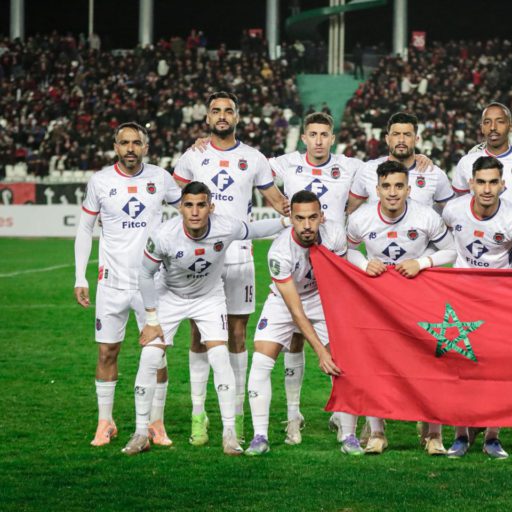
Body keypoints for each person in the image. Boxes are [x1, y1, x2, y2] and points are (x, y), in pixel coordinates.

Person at [121, 181, 289, 455]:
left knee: (220, 356)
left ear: (211, 207)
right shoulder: (163, 235)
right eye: (189, 205)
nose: (195, 211)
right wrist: (152, 320)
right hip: (170, 296)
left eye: (201, 205)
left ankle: (229, 434)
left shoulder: (225, 226)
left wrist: (286, 221)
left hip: (209, 298)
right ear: (180, 208)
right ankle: (141, 433)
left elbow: (254, 230)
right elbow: (145, 274)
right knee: (150, 357)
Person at [172, 91, 288, 447]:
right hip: (201, 256)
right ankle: (198, 414)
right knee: (198, 333)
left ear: (237, 117)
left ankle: (235, 415)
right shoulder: (193, 156)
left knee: (237, 334)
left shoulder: (253, 158)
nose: (222, 115)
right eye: (216, 111)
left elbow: (278, 202)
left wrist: (307, 215)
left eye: (228, 111)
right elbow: (173, 196)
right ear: (207, 117)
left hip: (238, 254)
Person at [74, 122, 181, 447]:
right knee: (107, 351)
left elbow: (190, 207)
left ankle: (156, 423)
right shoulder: (101, 181)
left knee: (157, 354)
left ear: (145, 147)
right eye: (125, 143)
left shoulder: (160, 178)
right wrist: (80, 276)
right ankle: (105, 422)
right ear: (116, 147)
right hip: (111, 283)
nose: (130, 148)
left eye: (136, 143)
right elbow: (85, 229)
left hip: (152, 283)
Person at [346, 160, 457, 455]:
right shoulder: (361, 218)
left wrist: (422, 262)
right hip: (377, 301)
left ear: (409, 189)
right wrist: (363, 263)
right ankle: (377, 433)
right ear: (377, 190)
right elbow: (345, 250)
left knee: (429, 361)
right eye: (386, 186)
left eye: (398, 186)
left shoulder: (426, 216)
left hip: (420, 298)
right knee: (375, 362)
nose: (392, 192)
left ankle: (434, 434)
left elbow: (451, 251)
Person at [268, 112, 365, 444]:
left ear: (333, 138)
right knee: (295, 340)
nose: (319, 140)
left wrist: (420, 159)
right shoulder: (287, 163)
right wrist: (278, 201)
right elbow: (250, 168)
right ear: (304, 138)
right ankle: (294, 414)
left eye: (325, 134)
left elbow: (379, 173)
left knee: (340, 341)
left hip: (333, 260)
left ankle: (341, 414)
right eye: (313, 134)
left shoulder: (349, 166)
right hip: (296, 257)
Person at [245, 191, 360, 456]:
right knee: (261, 359)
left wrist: (342, 320)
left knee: (344, 359)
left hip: (323, 296)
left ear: (322, 217)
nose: (307, 225)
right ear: (291, 218)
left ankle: (349, 435)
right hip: (284, 301)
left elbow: (340, 277)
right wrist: (320, 351)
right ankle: (260, 436)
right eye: (299, 218)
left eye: (312, 217)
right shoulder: (279, 252)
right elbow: (296, 311)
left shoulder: (335, 234)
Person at [440, 156, 512, 459]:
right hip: (460, 297)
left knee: (497, 368)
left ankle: (493, 437)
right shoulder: (453, 210)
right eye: (481, 182)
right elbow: (441, 244)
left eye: (493, 182)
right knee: (460, 367)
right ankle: (460, 435)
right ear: (471, 183)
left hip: (498, 301)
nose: (486, 189)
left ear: (503, 185)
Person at [346, 112, 454, 215]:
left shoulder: (434, 173)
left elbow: (452, 215)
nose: (401, 140)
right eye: (396, 134)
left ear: (416, 139)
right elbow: (351, 211)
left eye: (407, 135)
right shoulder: (368, 170)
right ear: (387, 139)